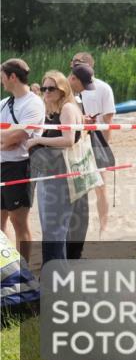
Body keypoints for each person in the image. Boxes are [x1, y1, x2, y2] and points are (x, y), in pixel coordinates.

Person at [25, 71, 90, 264]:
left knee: (54, 228)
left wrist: (38, 140)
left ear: (62, 90)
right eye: (44, 88)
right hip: (51, 172)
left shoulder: (68, 108)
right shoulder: (53, 110)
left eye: (51, 88)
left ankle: (54, 275)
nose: (46, 92)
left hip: (61, 174)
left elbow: (69, 140)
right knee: (51, 227)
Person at [0, 59, 44, 263]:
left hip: (20, 166)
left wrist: (7, 138)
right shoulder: (4, 103)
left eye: (2, 78)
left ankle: (23, 271)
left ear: (12, 77)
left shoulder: (34, 103)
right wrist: (6, 139)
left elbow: (14, 139)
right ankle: (8, 265)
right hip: (2, 164)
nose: (1, 82)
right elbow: (7, 139)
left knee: (19, 222)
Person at [68, 52, 115, 236]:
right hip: (75, 143)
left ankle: (103, 226)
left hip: (96, 141)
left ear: (89, 66)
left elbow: (108, 121)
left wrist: (103, 147)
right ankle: (77, 229)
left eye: (79, 63)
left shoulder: (103, 88)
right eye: (73, 63)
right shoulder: (68, 89)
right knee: (77, 188)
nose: (75, 66)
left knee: (101, 187)